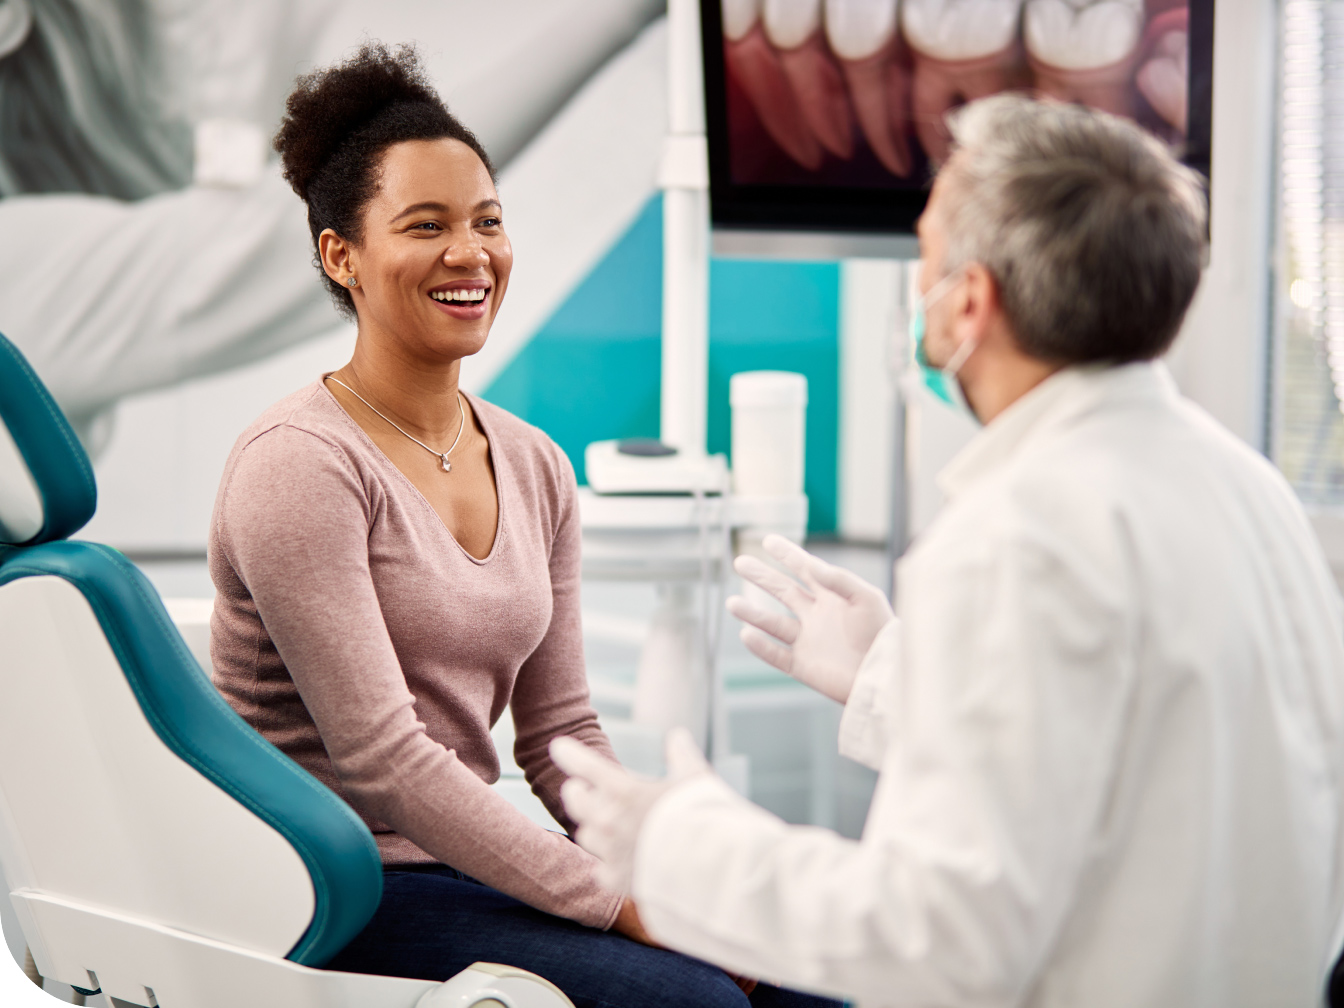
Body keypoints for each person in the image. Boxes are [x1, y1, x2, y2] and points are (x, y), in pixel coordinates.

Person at [552, 94, 1344, 1007]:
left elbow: (936, 937)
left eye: (925, 259)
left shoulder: (1018, 533)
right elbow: (1146, 773)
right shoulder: (1250, 492)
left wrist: (683, 845)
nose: (916, 294)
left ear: (970, 303)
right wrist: (897, 680)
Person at [207, 41, 839, 1008]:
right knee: (696, 1002)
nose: (471, 254)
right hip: (330, 887)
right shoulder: (299, 464)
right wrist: (619, 901)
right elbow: (385, 761)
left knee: (814, 978)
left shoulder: (535, 461)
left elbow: (561, 733)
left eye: (488, 222)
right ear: (343, 255)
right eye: (426, 226)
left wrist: (660, 864)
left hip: (466, 865)